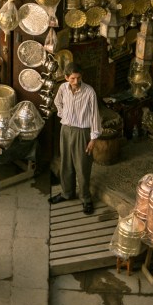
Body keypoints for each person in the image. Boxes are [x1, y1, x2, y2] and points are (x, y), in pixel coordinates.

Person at [50, 62, 102, 215]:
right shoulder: (62, 89)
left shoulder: (89, 92)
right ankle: (67, 193)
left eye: (78, 78)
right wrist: (63, 114)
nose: (76, 81)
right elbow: (57, 103)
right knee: (66, 162)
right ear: (66, 77)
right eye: (72, 78)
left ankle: (86, 198)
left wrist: (93, 138)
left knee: (82, 166)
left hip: (82, 132)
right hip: (66, 130)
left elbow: (94, 116)